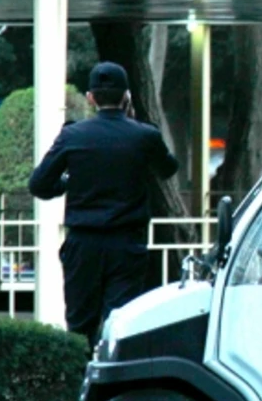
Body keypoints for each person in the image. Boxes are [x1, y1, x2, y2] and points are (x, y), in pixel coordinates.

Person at [29, 61, 179, 348]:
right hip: (127, 244)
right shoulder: (144, 136)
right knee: (120, 324)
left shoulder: (72, 135)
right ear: (126, 96)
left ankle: (79, 384)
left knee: (79, 326)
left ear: (90, 98)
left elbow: (39, 185)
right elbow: (168, 169)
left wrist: (69, 183)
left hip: (83, 244)